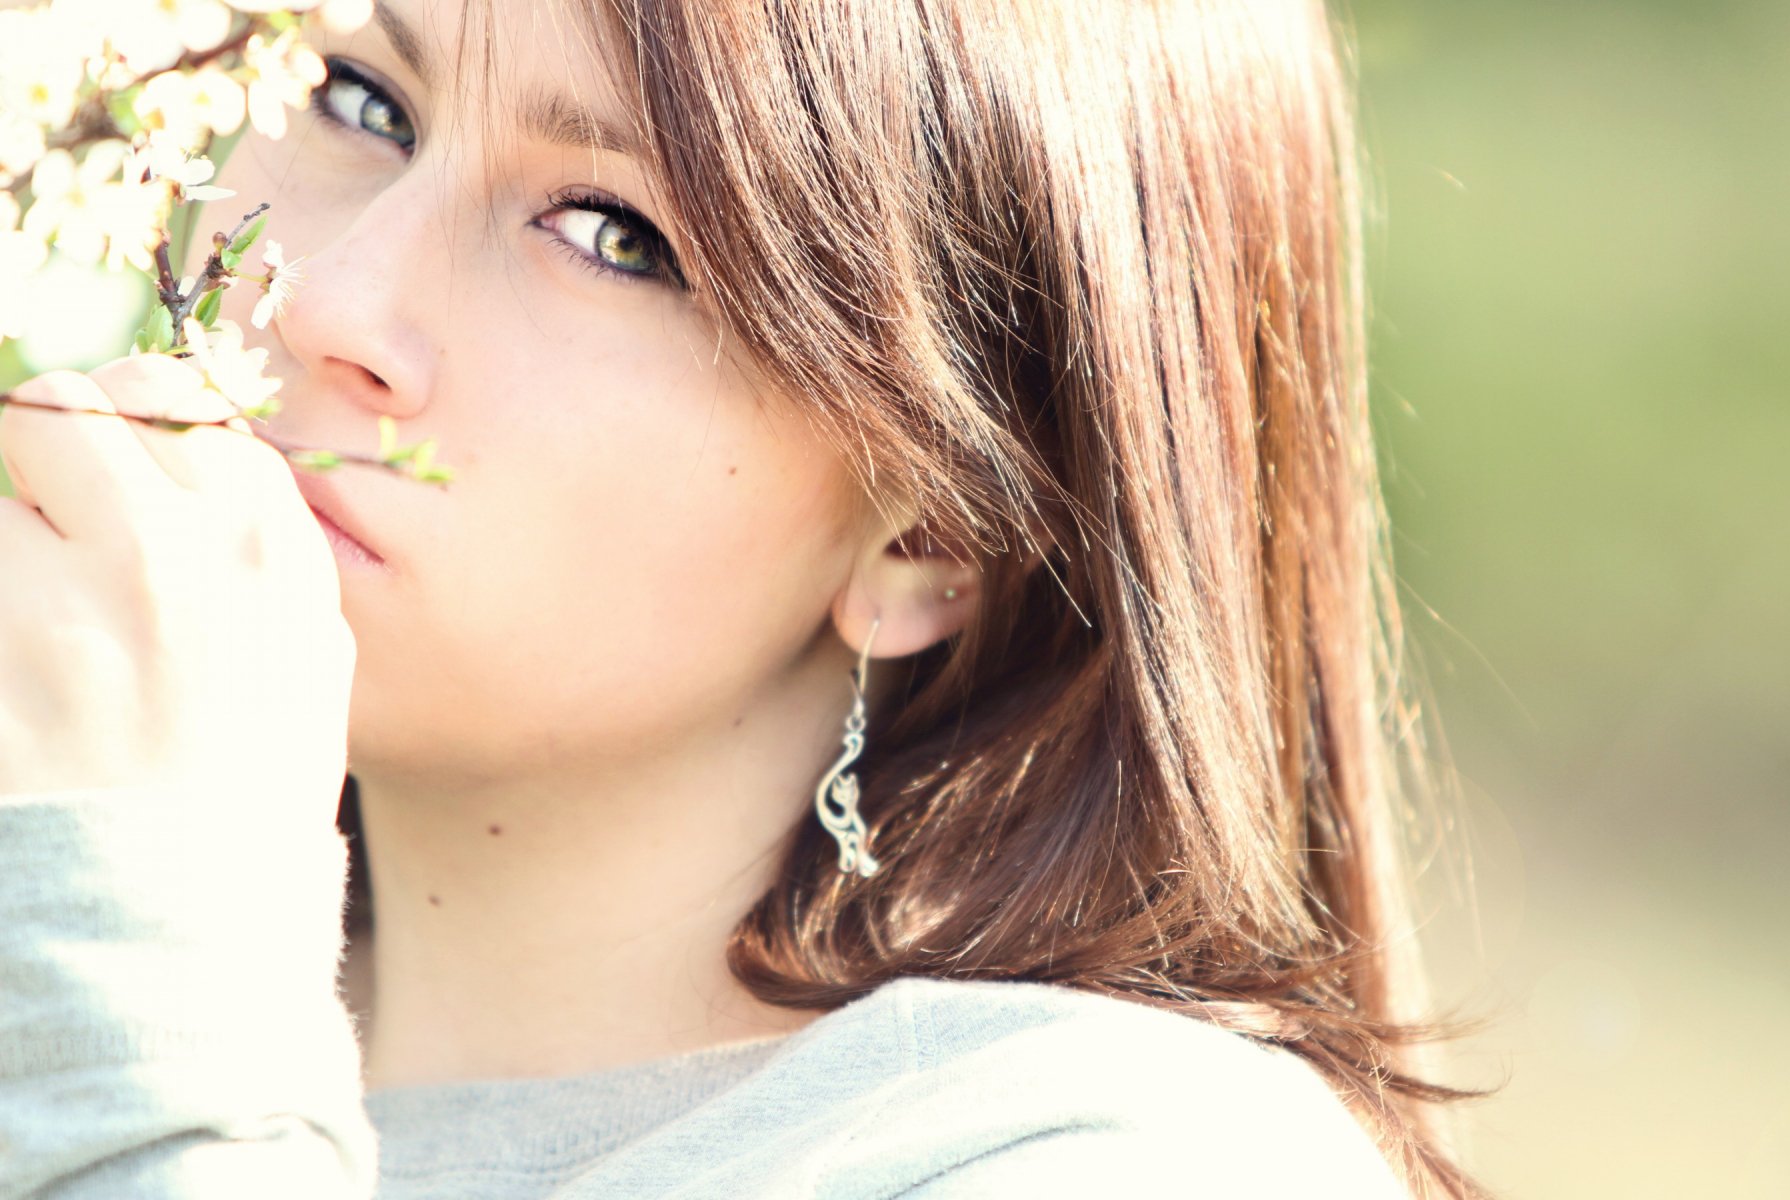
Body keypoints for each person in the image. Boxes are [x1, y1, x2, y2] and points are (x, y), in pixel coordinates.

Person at [0, 0, 1489, 1196]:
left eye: (611, 235)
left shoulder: (1111, 1159)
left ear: (935, 537)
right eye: (364, 102)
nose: (328, 302)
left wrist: (141, 986)